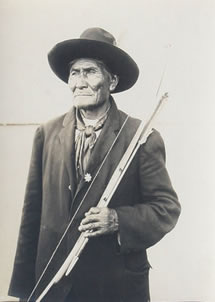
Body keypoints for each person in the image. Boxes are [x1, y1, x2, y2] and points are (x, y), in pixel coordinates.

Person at [8, 27, 181, 302]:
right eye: (74, 73)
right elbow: (32, 217)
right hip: (54, 286)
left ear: (111, 81)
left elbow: (166, 208)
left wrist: (118, 220)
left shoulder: (141, 136)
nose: (80, 82)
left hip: (114, 286)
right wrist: (23, 291)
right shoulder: (46, 134)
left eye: (90, 71)